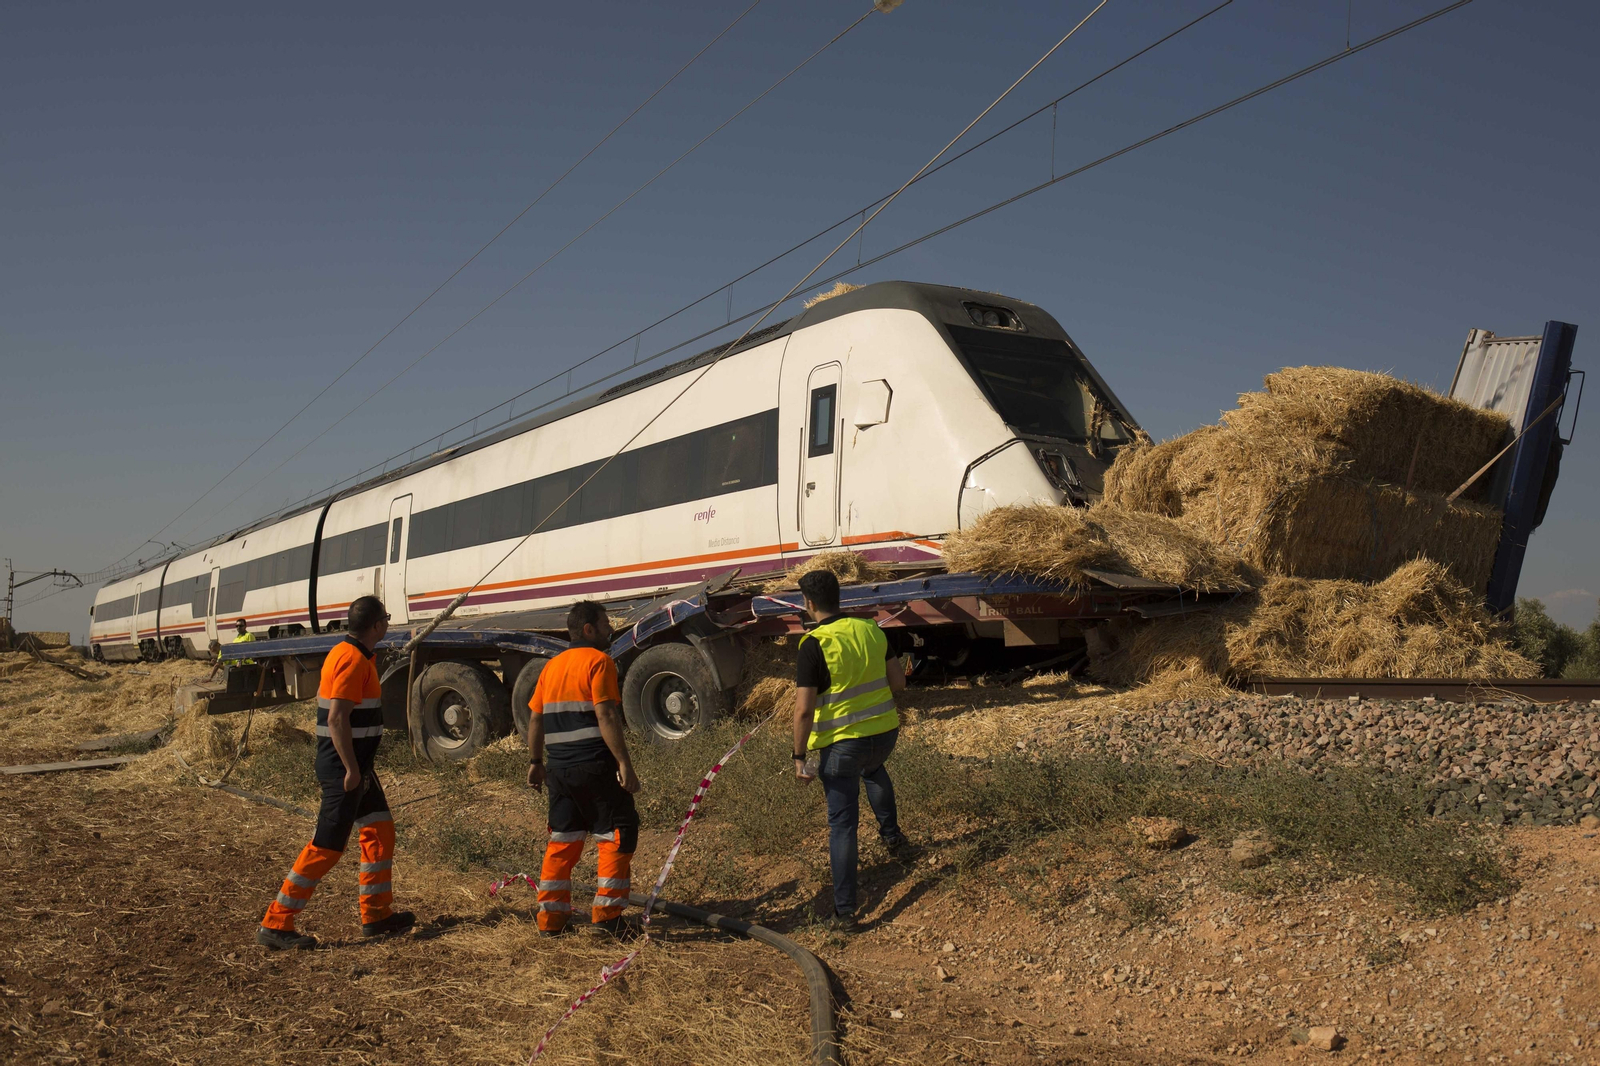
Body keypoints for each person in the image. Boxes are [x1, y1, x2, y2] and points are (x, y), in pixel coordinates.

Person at [255, 596, 413, 949]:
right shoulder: (350, 659)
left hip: (357, 767)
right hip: (345, 769)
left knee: (380, 830)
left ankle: (377, 915)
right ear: (377, 626)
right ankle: (276, 923)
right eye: (386, 619)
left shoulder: (357, 655)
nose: (388, 624)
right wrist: (352, 770)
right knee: (326, 846)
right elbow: (337, 719)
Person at [792, 570, 915, 933]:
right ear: (838, 596)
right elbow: (899, 682)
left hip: (843, 746)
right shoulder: (872, 630)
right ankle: (894, 839)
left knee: (843, 824)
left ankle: (845, 911)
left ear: (809, 603)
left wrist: (799, 756)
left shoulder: (813, 644)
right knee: (874, 771)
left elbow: (803, 710)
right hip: (884, 733)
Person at [526, 600, 641, 938]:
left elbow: (535, 719)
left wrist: (536, 763)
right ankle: (607, 919)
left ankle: (551, 921)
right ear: (588, 629)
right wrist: (624, 763)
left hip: (559, 770)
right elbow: (606, 714)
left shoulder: (551, 667)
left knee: (563, 841)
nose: (610, 629)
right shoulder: (599, 662)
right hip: (594, 765)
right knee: (617, 832)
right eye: (605, 624)